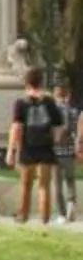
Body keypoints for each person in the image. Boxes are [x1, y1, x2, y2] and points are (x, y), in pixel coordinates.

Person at [11, 64, 61, 225]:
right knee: (44, 185)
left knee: (25, 185)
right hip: (46, 147)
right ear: (41, 81)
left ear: (26, 82)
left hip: (27, 146)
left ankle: (22, 215)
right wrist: (54, 140)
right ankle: (44, 218)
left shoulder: (21, 102)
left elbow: (16, 127)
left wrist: (11, 150)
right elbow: (58, 125)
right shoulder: (49, 101)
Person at [54, 71, 77, 224]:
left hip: (55, 151)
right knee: (70, 181)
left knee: (57, 185)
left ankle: (62, 214)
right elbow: (75, 130)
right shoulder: (73, 110)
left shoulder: (53, 110)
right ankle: (71, 204)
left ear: (57, 92)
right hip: (69, 151)